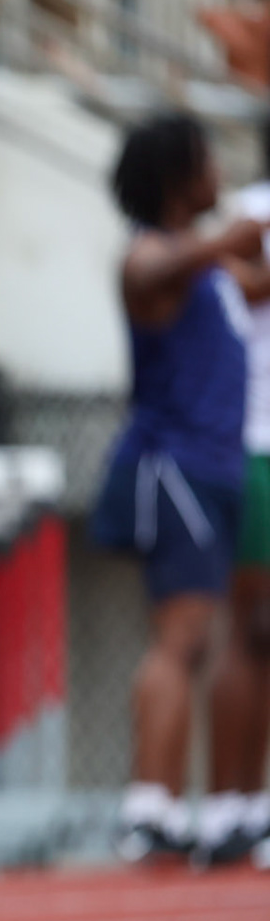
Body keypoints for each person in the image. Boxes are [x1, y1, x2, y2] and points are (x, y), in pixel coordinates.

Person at [90, 114, 259, 861]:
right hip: (174, 463)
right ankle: (150, 806)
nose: (219, 171)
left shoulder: (213, 270)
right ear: (176, 174)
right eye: (207, 158)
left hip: (217, 464)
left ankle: (194, 809)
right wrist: (226, 239)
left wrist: (229, 252)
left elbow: (251, 280)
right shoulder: (152, 255)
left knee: (211, 636)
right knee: (181, 637)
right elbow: (150, 275)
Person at [200, 138, 270, 866]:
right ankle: (226, 808)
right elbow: (237, 286)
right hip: (254, 441)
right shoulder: (249, 216)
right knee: (251, 625)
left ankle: (253, 802)